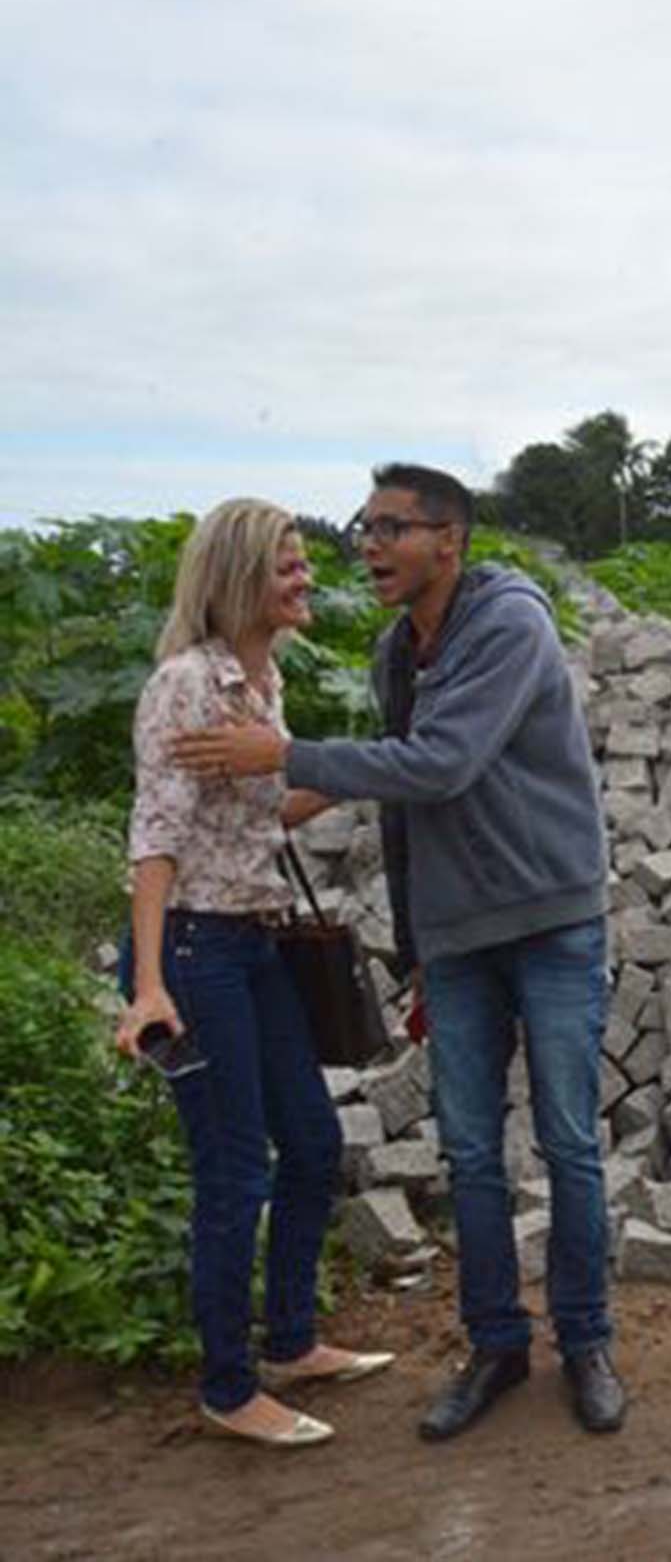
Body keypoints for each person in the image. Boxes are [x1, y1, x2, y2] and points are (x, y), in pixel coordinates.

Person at [172, 464, 624, 1440]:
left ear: (448, 539)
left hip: (552, 924)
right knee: (469, 1154)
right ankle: (496, 1343)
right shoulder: (395, 651)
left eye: (390, 528)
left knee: (568, 1142)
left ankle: (586, 1340)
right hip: (460, 940)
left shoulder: (511, 624)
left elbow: (442, 763)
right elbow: (408, 810)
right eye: (362, 526)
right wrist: (418, 945)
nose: (366, 546)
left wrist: (283, 755)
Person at [120, 497, 393, 1448]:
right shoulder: (186, 686)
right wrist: (149, 983)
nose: (307, 578)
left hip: (257, 941)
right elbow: (155, 838)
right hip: (193, 951)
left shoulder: (261, 683)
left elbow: (262, 813)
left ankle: (290, 1343)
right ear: (239, 576)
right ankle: (229, 1387)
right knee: (236, 1169)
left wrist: (370, 768)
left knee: (313, 1144)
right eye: (289, 566)